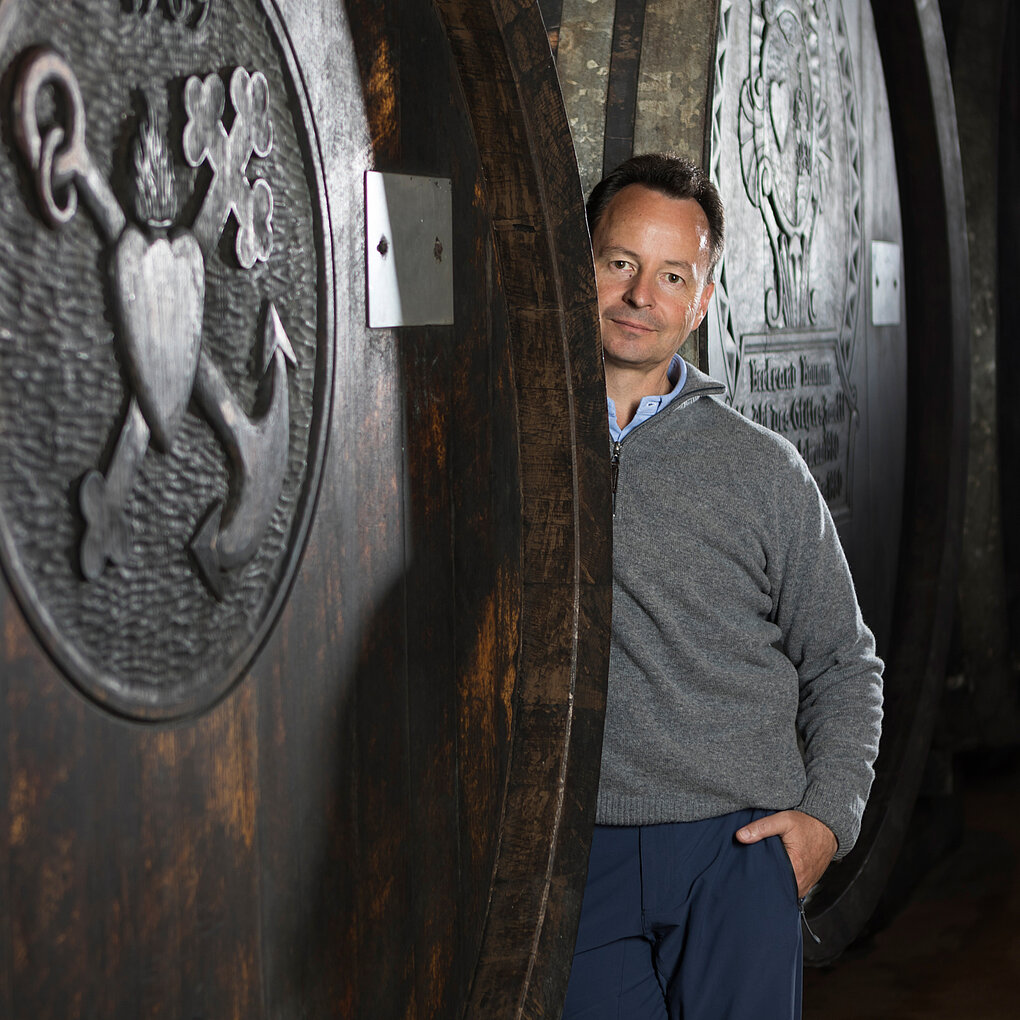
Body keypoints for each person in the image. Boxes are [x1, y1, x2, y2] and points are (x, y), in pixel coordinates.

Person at [563, 153, 884, 1019]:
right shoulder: (510, 447)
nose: (640, 296)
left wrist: (826, 821)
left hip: (738, 846)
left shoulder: (762, 468)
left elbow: (845, 666)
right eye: (619, 262)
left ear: (702, 300)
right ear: (578, 260)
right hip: (574, 849)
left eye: (673, 276)